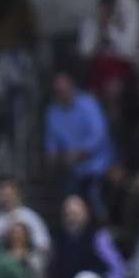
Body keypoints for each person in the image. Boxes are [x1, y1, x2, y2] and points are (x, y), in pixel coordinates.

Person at [45, 72, 114, 218]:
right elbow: (51, 143)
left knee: (93, 196)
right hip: (72, 168)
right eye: (58, 91)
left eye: (64, 90)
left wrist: (79, 153)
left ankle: (102, 227)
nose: (62, 94)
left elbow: (98, 135)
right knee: (68, 198)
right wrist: (53, 156)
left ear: (72, 88)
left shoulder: (88, 103)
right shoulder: (53, 112)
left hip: (98, 164)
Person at [46, 195, 126, 278]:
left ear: (86, 214)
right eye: (67, 214)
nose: (71, 218)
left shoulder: (98, 237)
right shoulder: (57, 239)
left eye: (75, 214)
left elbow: (118, 269)